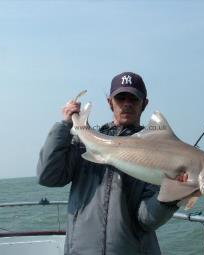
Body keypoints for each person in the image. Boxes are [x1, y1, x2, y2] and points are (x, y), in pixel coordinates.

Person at [37, 72, 195, 255]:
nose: (127, 103)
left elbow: (146, 220)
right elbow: (47, 176)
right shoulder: (85, 144)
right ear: (109, 102)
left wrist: (173, 195)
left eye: (134, 99)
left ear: (145, 103)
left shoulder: (157, 154)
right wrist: (64, 126)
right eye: (120, 98)